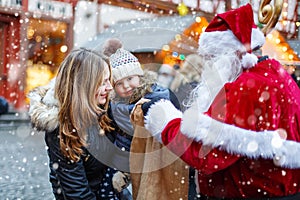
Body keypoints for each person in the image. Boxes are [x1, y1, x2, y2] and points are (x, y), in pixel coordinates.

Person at [132, 4, 300, 199]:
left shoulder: (246, 88)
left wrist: (162, 117)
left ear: (232, 54)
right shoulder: (276, 74)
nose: (209, 67)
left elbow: (204, 153)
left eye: (213, 59)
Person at [28, 48, 123, 199]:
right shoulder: (60, 128)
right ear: (84, 85)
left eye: (108, 80)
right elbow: (77, 193)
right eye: (103, 82)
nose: (110, 87)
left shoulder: (105, 108)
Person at [103, 43, 189, 200]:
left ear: (139, 76)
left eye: (130, 78)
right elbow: (122, 136)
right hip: (130, 155)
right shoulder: (116, 106)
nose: (126, 86)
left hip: (154, 154)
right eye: (119, 83)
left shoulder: (153, 94)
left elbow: (165, 107)